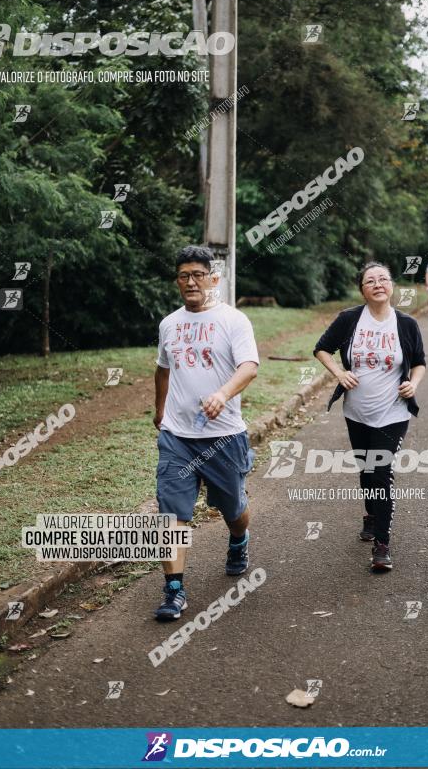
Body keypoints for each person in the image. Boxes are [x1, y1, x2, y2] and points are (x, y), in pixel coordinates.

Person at [153, 245, 259, 621]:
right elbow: (163, 369)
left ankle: (238, 538)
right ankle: (174, 590)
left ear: (214, 279)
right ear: (177, 281)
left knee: (233, 509)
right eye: (184, 275)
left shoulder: (234, 321)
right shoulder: (169, 323)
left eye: (199, 274)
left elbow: (249, 367)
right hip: (177, 437)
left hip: (224, 436)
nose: (191, 282)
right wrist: (160, 410)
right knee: (170, 514)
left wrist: (222, 393)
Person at [313, 262, 426, 572]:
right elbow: (322, 349)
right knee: (366, 469)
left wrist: (412, 384)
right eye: (370, 280)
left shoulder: (406, 324)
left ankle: (382, 543)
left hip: (394, 412)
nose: (378, 284)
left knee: (380, 471)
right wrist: (339, 372)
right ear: (361, 289)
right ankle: (371, 514)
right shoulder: (349, 320)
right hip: (357, 413)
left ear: (391, 286)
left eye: (384, 279)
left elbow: (419, 363)